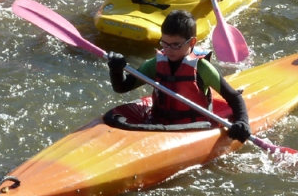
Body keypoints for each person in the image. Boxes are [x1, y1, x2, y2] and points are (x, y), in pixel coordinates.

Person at [106, 10, 251, 142]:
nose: (168, 50)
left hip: (193, 127)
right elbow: (122, 87)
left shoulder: (202, 68)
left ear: (192, 42)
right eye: (165, 43)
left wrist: (242, 122)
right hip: (157, 124)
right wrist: (116, 69)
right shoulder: (155, 63)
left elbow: (234, 97)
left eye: (176, 45)